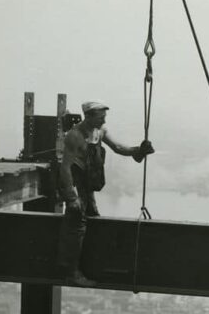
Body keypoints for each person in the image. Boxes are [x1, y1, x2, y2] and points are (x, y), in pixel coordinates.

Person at [57, 100, 155, 286]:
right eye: (101, 116)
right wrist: (71, 197)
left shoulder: (100, 131)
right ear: (89, 116)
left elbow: (118, 148)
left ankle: (88, 267)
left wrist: (137, 150)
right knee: (76, 225)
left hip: (87, 185)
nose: (104, 119)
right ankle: (71, 272)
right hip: (77, 184)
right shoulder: (75, 136)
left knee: (91, 219)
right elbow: (66, 168)